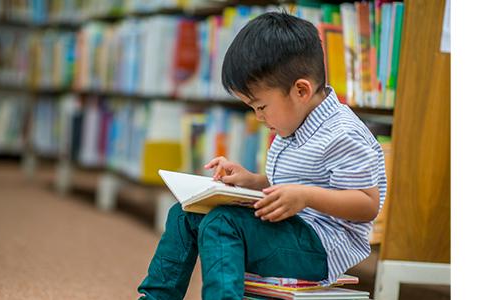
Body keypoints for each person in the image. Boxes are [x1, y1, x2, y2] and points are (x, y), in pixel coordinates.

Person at [138, 11, 386, 300]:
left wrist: (305, 196)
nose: (258, 117)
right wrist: (253, 181)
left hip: (320, 248)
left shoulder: (343, 134)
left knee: (222, 224)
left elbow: (367, 203)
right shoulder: (295, 123)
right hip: (287, 228)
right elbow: (292, 182)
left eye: (261, 107)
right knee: (184, 212)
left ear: (301, 90)